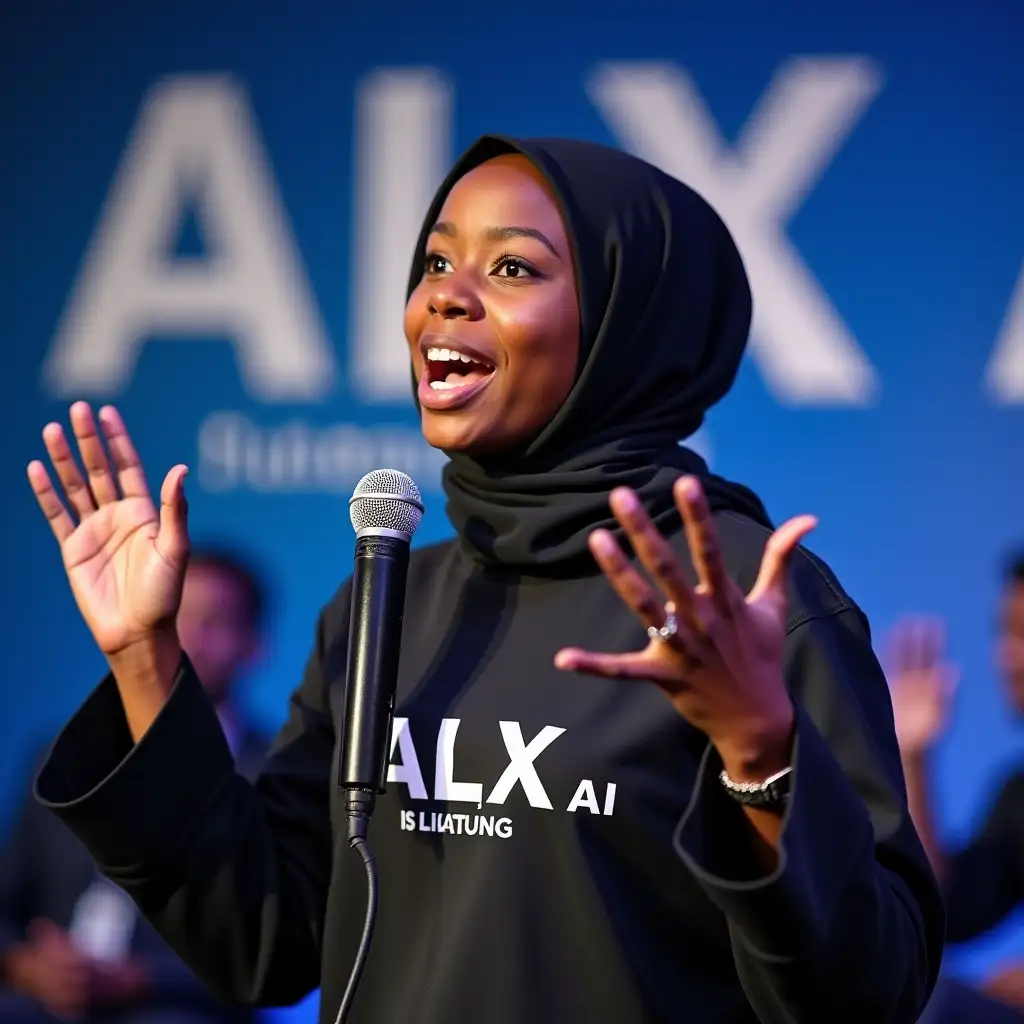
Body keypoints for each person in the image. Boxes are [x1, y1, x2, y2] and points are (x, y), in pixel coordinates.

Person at [25, 136, 943, 1024]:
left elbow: (869, 993)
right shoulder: (390, 599)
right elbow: (267, 940)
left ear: (628, 322)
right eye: (433, 263)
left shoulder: (744, 601)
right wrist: (146, 654)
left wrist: (760, 753)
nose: (444, 300)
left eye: (511, 269)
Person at [0, 548, 272, 1024]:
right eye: (172, 617)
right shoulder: (62, 757)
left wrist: (134, 978)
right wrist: (27, 966)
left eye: (214, 622)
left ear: (254, 646)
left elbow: (270, 942)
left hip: (175, 1006)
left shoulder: (275, 774)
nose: (189, 638)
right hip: (43, 997)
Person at [889, 557, 1024, 1021]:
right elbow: (945, 910)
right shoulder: (1019, 794)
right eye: (1007, 633)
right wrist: (913, 756)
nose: (1010, 657)